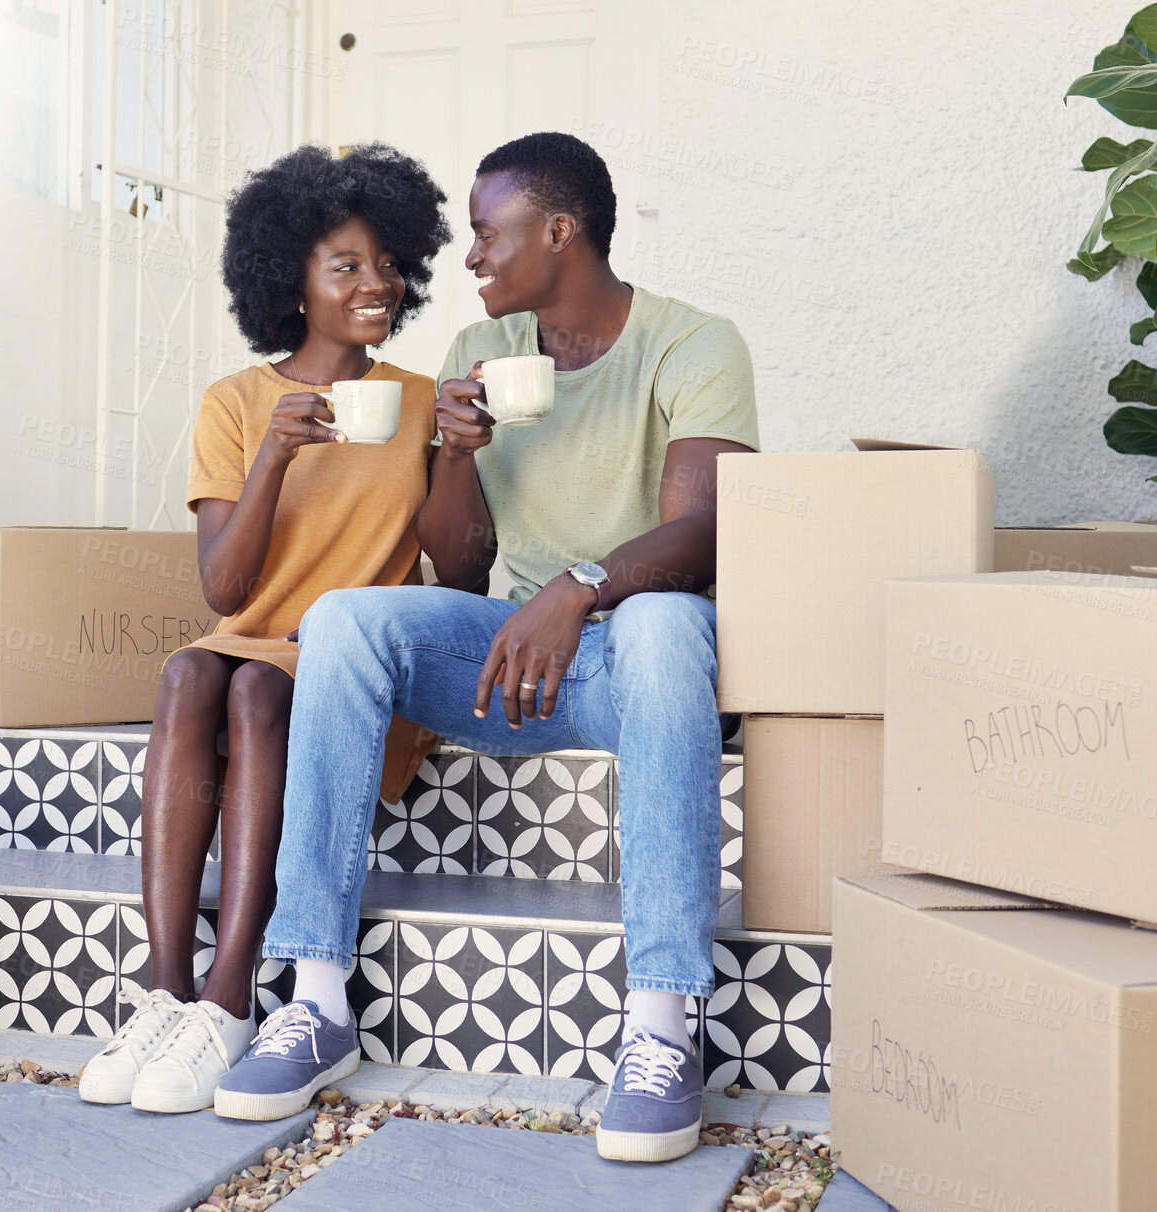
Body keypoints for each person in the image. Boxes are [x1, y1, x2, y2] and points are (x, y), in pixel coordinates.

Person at [216, 131, 759, 1163]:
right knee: (344, 620)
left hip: (632, 663)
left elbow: (704, 532)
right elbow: (459, 572)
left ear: (559, 232)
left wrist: (581, 586)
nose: (465, 259)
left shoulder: (693, 343)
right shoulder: (479, 357)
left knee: (657, 618)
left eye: (484, 234)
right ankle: (315, 994)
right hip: (509, 660)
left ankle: (659, 1024)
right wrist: (455, 460)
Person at [78, 142, 454, 1114]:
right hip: (250, 646)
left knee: (253, 686)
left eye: (385, 264)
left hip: (352, 671)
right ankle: (166, 988)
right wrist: (274, 462)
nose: (376, 283)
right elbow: (224, 592)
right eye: (346, 266)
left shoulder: (421, 402)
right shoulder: (236, 404)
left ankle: (231, 992)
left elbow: (464, 568)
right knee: (190, 675)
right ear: (288, 279)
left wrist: (455, 452)